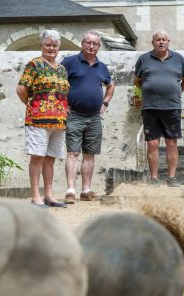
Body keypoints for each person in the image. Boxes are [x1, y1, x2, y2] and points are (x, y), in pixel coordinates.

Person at [16, 29, 69, 208]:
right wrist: (32, 107)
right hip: (38, 120)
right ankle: (35, 196)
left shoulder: (62, 69)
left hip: (59, 121)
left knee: (50, 159)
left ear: (59, 47)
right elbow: (21, 90)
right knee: (37, 157)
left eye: (54, 45)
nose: (51, 48)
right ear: (41, 46)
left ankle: (49, 195)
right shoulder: (34, 65)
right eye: (48, 45)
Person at [61, 31, 115, 203]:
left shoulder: (102, 67)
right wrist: (62, 104)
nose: (91, 46)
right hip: (74, 116)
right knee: (73, 153)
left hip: (94, 117)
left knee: (90, 155)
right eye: (88, 42)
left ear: (99, 46)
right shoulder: (70, 62)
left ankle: (86, 190)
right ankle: (70, 191)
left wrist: (105, 103)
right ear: (82, 43)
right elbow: (57, 83)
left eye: (95, 44)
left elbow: (110, 86)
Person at [134, 30, 184, 187]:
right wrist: (149, 90)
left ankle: (171, 177)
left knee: (171, 142)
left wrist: (175, 91)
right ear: (152, 42)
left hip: (172, 107)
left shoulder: (178, 59)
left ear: (168, 42)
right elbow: (138, 81)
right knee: (152, 143)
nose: (161, 42)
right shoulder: (144, 59)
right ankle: (153, 178)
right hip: (150, 107)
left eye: (164, 39)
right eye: (158, 39)